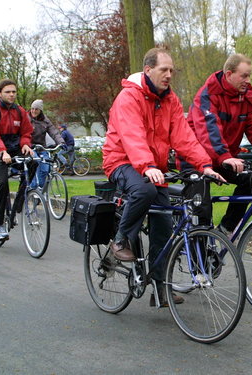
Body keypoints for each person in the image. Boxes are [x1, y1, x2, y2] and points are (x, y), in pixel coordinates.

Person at [102, 47, 224, 307]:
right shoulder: (129, 97)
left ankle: (159, 289)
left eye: (171, 70)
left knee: (164, 228)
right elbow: (132, 134)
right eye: (163, 70)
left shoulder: (170, 101)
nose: (169, 75)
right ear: (148, 71)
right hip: (122, 161)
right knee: (144, 192)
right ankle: (121, 238)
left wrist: (204, 165)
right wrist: (146, 165)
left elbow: (184, 137)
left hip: (151, 168)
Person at [185, 53, 252, 235]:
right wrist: (225, 156)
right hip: (197, 160)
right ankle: (201, 252)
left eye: (249, 76)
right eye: (244, 76)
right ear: (229, 74)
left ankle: (225, 230)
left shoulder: (247, 98)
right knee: (202, 210)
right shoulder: (207, 95)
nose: (248, 80)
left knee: (250, 179)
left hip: (224, 158)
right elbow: (209, 130)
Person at [0, 79, 34, 240]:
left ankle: (17, 205)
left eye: (14, 92)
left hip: (12, 148)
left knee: (33, 162)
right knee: (2, 183)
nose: (12, 94)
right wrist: (2, 151)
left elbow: (26, 131)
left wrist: (25, 144)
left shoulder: (19, 111)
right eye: (8, 92)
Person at [28, 99, 65, 189]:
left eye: (36, 109)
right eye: (32, 108)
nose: (34, 111)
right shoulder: (26, 118)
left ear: (40, 110)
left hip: (41, 147)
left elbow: (53, 132)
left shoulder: (45, 120)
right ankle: (32, 189)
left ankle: (39, 190)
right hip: (30, 147)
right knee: (36, 163)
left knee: (46, 168)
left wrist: (61, 142)